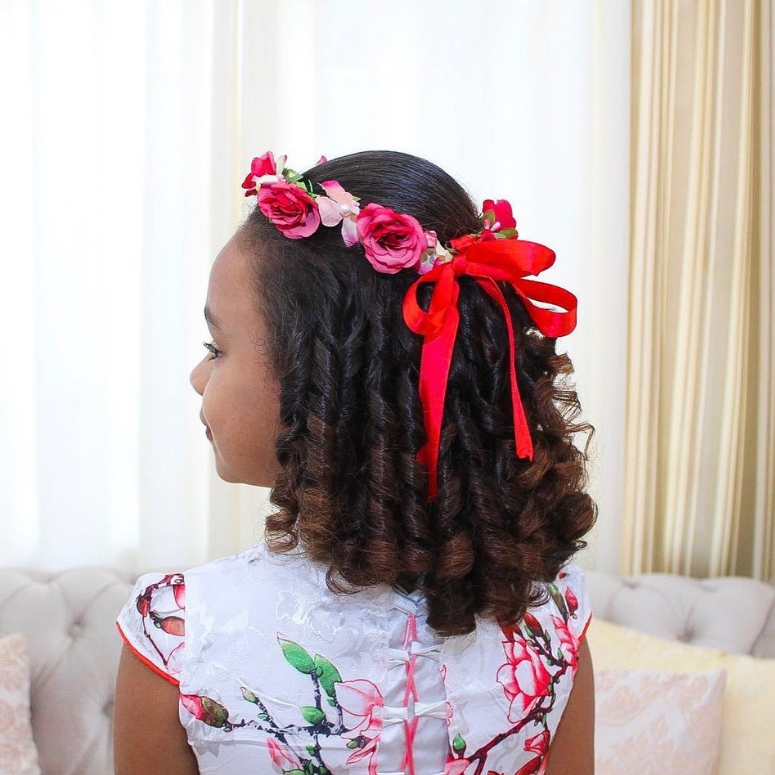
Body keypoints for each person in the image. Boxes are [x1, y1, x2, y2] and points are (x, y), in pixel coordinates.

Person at [113, 150, 597, 775]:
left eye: (217, 345)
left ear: (321, 378)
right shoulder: (555, 623)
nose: (197, 375)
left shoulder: (179, 633)